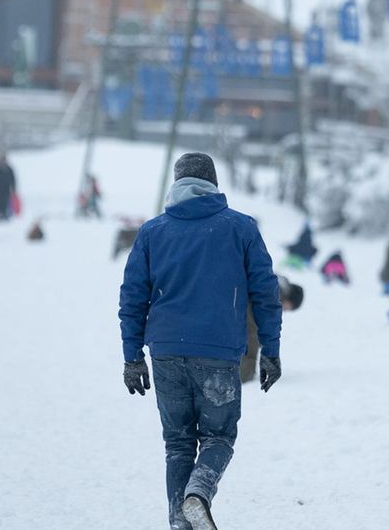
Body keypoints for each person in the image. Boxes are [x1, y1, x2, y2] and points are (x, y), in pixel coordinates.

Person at [119, 152, 283, 530]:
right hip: (219, 354)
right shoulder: (240, 228)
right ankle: (199, 495)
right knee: (218, 438)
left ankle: (181, 520)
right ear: (213, 183)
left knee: (177, 444)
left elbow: (132, 298)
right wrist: (270, 352)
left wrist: (132, 357)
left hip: (165, 353)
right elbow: (266, 294)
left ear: (176, 184)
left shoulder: (152, 232)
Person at [240, 276, 303, 384]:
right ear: (289, 299)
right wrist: (246, 374)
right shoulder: (273, 297)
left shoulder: (271, 283)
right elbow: (252, 335)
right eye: (290, 307)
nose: (286, 310)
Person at [0, 153, 17, 220]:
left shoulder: (9, 169)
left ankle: (5, 215)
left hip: (6, 190)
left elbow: (13, 180)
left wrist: (14, 189)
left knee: (6, 203)